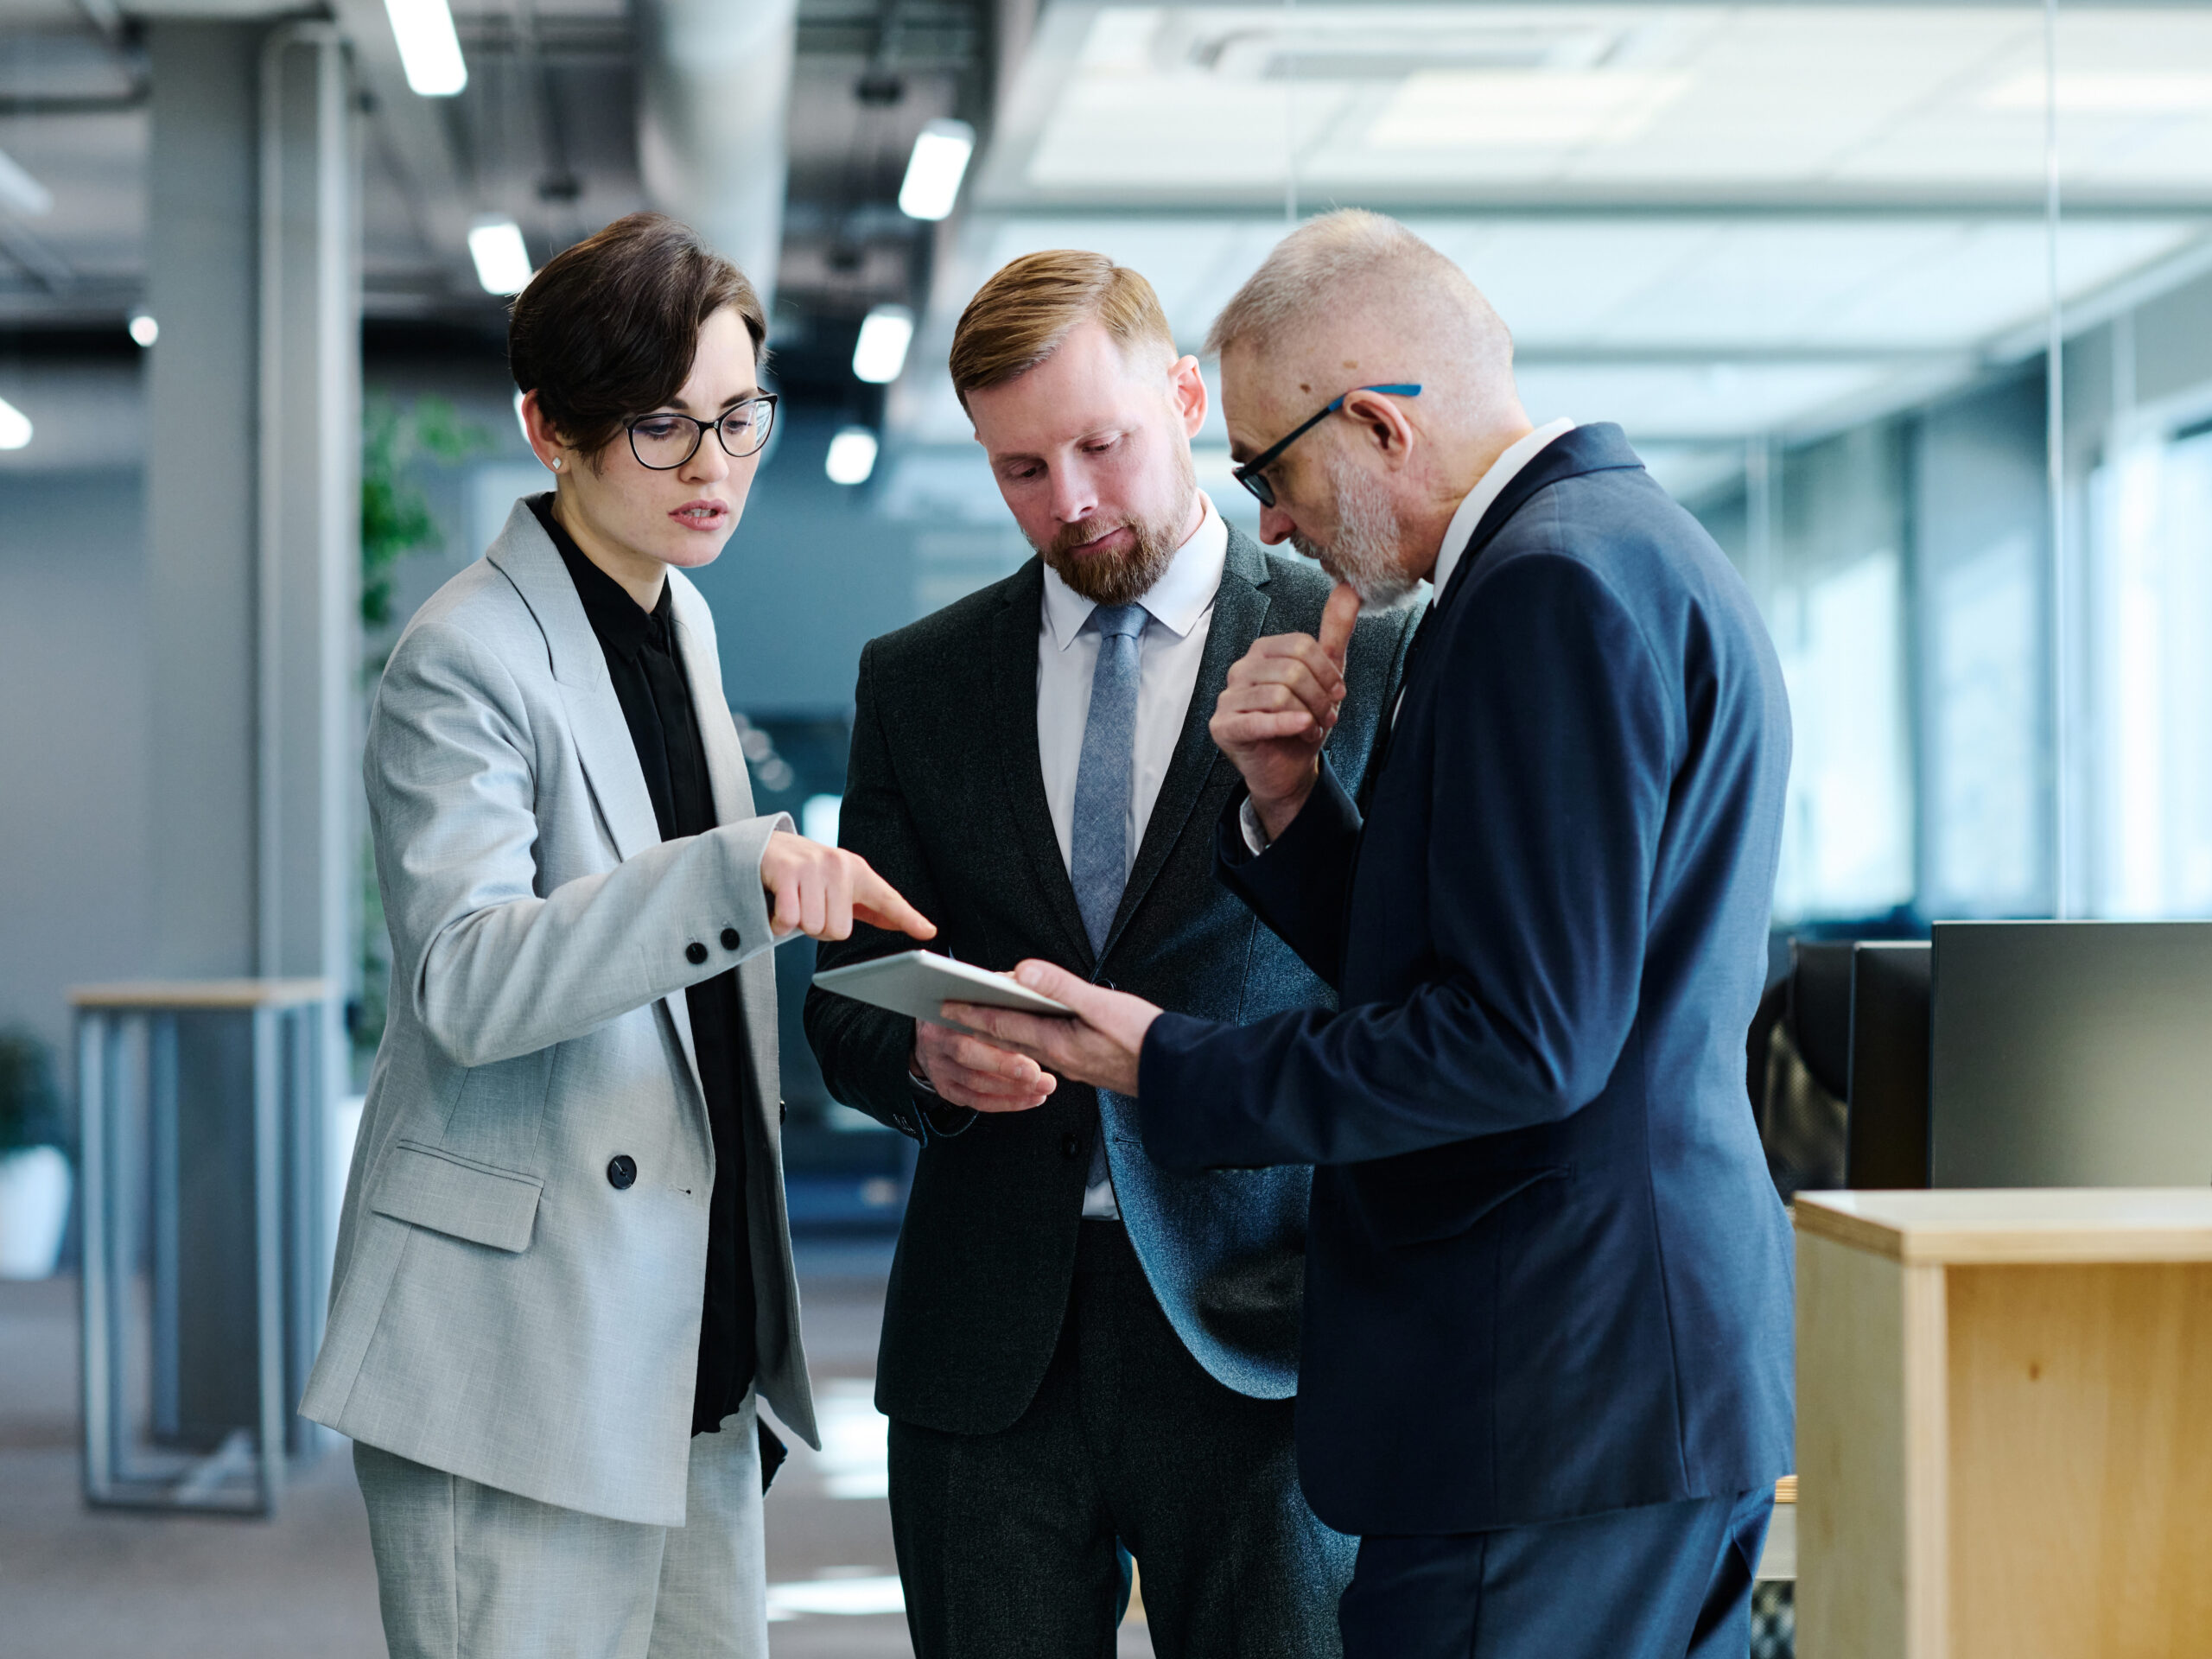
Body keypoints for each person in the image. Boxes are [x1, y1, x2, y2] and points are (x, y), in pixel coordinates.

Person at [945, 210, 1796, 1659]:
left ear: (1381, 426)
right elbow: (1500, 963)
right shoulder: (1615, 549)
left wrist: (1170, 1062)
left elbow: (1520, 1046)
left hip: (1545, 1389)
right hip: (1619, 1383)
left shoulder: (1549, 590)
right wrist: (1290, 807)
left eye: (1271, 469)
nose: (1269, 521)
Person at [302, 212, 934, 1659]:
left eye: (737, 417)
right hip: (517, 1352)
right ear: (550, 429)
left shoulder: (681, 619)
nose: (715, 468)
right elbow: (465, 976)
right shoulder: (463, 655)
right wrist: (737, 877)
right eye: (661, 427)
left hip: (684, 1334)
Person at [804, 249, 1416, 1658]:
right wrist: (926, 1059)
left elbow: (1407, 980)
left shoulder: (1369, 649)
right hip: (989, 1339)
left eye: (1102, 444)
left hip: (1264, 1326)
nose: (1068, 500)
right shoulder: (920, 678)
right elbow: (840, 999)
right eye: (1021, 469)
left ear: (1188, 398)